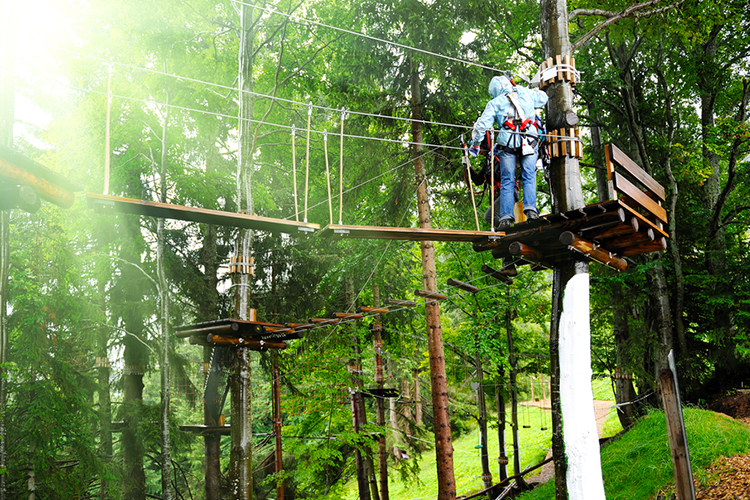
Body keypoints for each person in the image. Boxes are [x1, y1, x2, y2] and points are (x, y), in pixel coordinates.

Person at [469, 75, 548, 231]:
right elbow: (544, 98)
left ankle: (505, 218)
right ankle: (531, 211)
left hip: (508, 144)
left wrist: (476, 144)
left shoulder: (495, 102)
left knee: (507, 181)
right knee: (529, 175)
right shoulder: (526, 92)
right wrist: (531, 88)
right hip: (529, 141)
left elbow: (481, 126)